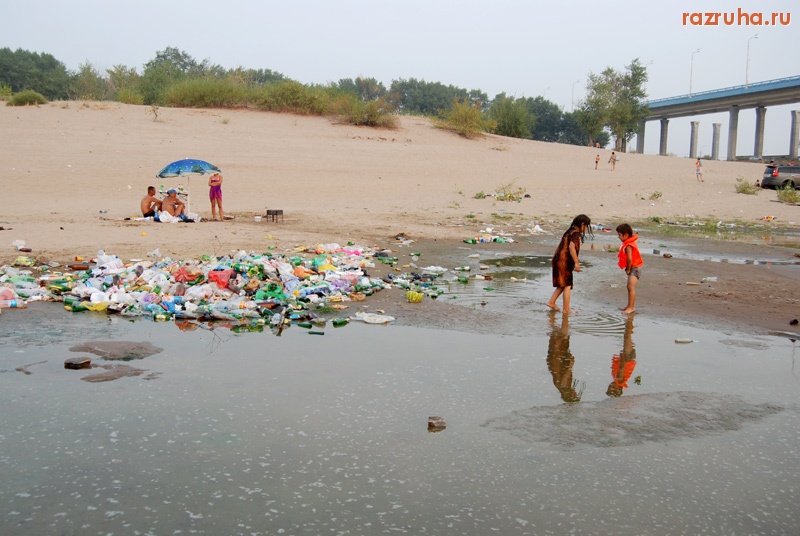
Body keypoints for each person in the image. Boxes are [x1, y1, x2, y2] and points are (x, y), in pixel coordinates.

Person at [547, 214, 592, 314]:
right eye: (586, 226)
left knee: (563, 283)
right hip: (564, 261)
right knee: (567, 284)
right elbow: (572, 248)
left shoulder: (569, 231)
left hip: (558, 259)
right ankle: (566, 309)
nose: (586, 229)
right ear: (582, 224)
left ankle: (552, 302)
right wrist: (576, 263)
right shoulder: (576, 234)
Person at [546, 310, 584, 403]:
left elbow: (563, 381)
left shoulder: (563, 387)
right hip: (555, 360)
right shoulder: (561, 386)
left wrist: (571, 365)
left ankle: (560, 318)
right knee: (558, 338)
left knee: (561, 338)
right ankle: (554, 318)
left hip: (557, 360)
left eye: (574, 394)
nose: (575, 392)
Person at [616, 223, 643, 315]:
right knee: (629, 287)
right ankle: (629, 306)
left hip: (635, 268)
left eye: (619, 235)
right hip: (633, 268)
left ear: (626, 235)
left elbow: (630, 258)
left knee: (630, 287)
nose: (618, 237)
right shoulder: (628, 243)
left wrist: (627, 269)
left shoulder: (628, 245)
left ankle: (631, 307)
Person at [606, 315, 636, 397]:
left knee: (628, 337)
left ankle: (630, 321)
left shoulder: (619, 380)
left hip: (628, 359)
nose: (609, 385)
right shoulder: (619, 380)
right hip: (627, 358)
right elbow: (622, 367)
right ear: (616, 388)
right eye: (610, 387)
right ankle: (630, 320)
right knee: (627, 336)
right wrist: (622, 358)